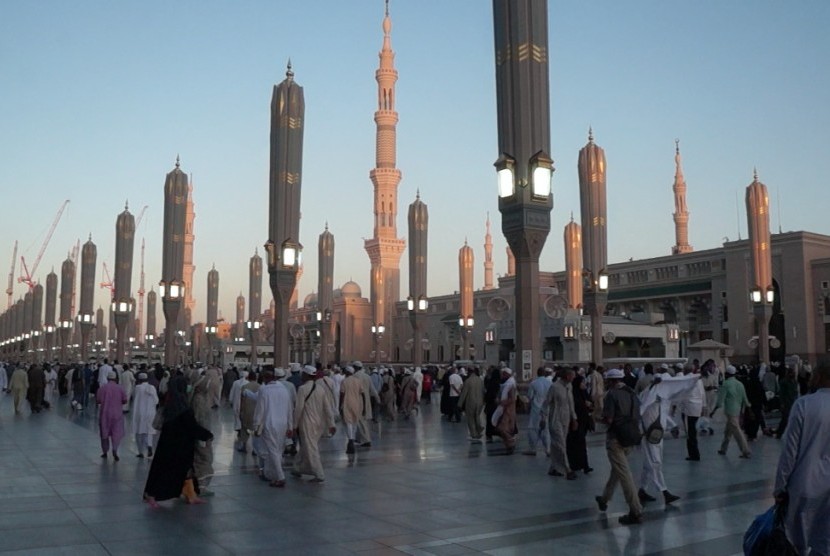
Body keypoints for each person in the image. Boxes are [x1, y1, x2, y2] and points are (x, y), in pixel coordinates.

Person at [773, 362, 830, 556]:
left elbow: (790, 451)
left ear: (820, 377)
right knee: (824, 544)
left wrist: (780, 486)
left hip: (805, 485)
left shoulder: (804, 404)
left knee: (797, 544)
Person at [143, 375, 213, 507]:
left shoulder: (169, 403)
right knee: (173, 470)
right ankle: (152, 495)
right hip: (180, 446)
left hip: (169, 444)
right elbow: (191, 426)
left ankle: (190, 495)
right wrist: (207, 435)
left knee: (184, 471)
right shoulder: (183, 407)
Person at [638, 372, 697, 506]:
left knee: (650, 464)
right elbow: (641, 409)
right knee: (655, 462)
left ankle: (642, 489)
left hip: (657, 434)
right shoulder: (651, 392)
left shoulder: (662, 396)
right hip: (649, 434)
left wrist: (673, 426)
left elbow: (663, 414)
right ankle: (664, 492)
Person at [595, 368, 643, 525]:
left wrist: (595, 418)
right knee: (617, 470)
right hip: (631, 436)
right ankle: (604, 499)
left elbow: (609, 419)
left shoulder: (611, 394)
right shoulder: (632, 393)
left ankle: (636, 510)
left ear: (610, 381)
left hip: (616, 438)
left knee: (624, 474)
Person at [292, 366, 336, 483]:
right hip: (319, 423)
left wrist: (294, 425)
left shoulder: (302, 389)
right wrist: (331, 424)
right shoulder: (321, 389)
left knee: (311, 448)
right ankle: (297, 467)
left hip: (307, 423)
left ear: (306, 375)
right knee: (307, 446)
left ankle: (319, 473)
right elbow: (327, 408)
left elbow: (298, 409)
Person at [253, 368, 293, 488]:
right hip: (283, 423)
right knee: (278, 450)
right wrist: (290, 426)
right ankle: (271, 474)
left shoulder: (264, 390)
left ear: (265, 378)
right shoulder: (284, 390)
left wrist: (256, 426)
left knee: (272, 450)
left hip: (270, 423)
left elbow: (260, 410)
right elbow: (289, 409)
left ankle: (280, 477)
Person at [710, 365, 751, 458]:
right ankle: (723, 449)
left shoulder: (726, 384)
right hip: (738, 410)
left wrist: (713, 411)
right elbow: (745, 399)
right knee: (728, 430)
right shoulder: (740, 384)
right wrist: (748, 408)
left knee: (737, 431)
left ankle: (745, 450)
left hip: (730, 410)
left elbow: (720, 401)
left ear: (727, 374)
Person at [545, 368, 577, 480]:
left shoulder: (569, 387)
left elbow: (571, 403)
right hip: (555, 418)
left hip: (566, 418)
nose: (574, 378)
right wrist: (542, 418)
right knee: (560, 444)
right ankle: (567, 469)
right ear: (567, 376)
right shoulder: (554, 387)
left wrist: (574, 418)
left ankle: (554, 468)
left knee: (556, 444)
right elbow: (546, 403)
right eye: (573, 375)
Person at [566, 373, 594, 474]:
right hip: (576, 423)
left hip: (583, 422)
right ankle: (575, 465)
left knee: (582, 444)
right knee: (575, 444)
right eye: (582, 382)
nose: (584, 384)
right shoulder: (573, 394)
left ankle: (584, 465)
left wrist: (589, 405)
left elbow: (591, 403)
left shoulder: (583, 393)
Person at [97, 370, 127, 461]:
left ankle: (105, 452)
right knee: (116, 432)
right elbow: (125, 400)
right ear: (116, 379)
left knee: (104, 433)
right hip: (117, 413)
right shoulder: (120, 388)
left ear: (107, 378)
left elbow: (98, 400)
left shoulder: (103, 388)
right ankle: (115, 449)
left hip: (105, 414)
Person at [679, 363, 705, 461]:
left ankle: (693, 454)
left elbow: (683, 394)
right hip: (698, 407)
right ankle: (695, 453)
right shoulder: (698, 380)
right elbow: (702, 394)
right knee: (693, 430)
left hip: (689, 408)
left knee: (690, 432)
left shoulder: (686, 379)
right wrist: (703, 406)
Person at [523, 367, 553, 456]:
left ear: (537, 373)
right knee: (546, 429)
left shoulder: (534, 383)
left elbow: (530, 396)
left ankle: (533, 448)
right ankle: (548, 449)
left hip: (536, 409)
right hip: (547, 408)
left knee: (533, 428)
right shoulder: (550, 383)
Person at [133, 372, 159, 458]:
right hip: (151, 412)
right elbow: (156, 401)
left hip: (140, 413)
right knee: (149, 432)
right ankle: (149, 445)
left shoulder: (138, 387)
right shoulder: (152, 388)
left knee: (139, 432)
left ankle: (141, 452)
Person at [492, 367, 518, 454]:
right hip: (504, 409)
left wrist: (502, 402)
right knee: (501, 428)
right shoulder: (506, 383)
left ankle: (511, 443)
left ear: (507, 374)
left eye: (504, 374)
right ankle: (509, 445)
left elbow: (512, 399)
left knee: (503, 429)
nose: (502, 376)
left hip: (508, 410)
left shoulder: (511, 385)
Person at [458, 366, 484, 441]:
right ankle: (479, 429)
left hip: (470, 402)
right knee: (477, 416)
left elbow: (464, 393)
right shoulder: (480, 380)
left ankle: (474, 434)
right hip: (479, 402)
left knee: (471, 418)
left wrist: (460, 404)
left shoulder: (468, 381)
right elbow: (483, 391)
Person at [775, 367, 798, 438]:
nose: (793, 374)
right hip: (786, 403)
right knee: (785, 419)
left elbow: (795, 392)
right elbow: (781, 394)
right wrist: (782, 403)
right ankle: (779, 433)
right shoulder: (784, 382)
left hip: (793, 402)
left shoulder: (794, 381)